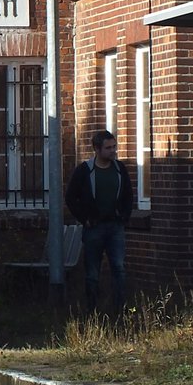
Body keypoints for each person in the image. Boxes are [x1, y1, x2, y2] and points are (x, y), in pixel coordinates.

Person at [65, 130, 134, 315]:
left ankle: (120, 310)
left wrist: (124, 216)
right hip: (94, 227)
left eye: (114, 147)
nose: (113, 151)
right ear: (97, 149)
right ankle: (92, 311)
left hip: (115, 227)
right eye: (108, 148)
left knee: (119, 268)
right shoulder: (85, 170)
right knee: (92, 273)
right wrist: (85, 218)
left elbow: (128, 195)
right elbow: (71, 197)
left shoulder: (119, 169)